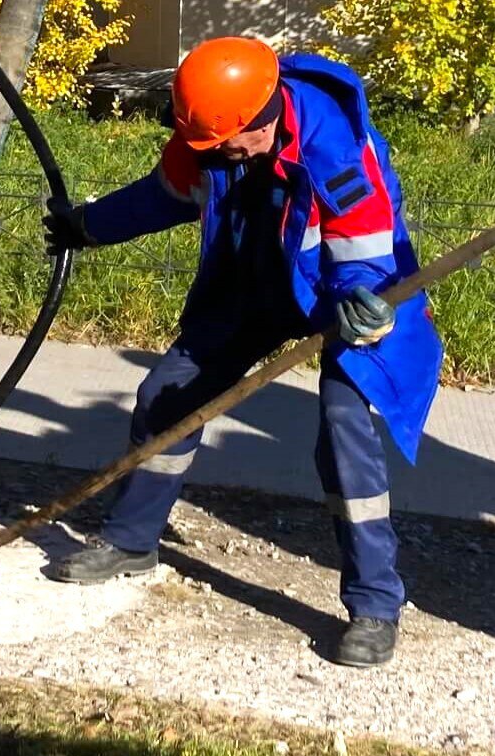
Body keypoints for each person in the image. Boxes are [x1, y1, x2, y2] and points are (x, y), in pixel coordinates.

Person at [41, 36, 445, 668]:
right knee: (166, 395)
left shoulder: (335, 146)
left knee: (344, 428)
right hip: (255, 282)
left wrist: (362, 302)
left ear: (270, 111)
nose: (222, 155)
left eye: (232, 143)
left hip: (345, 289)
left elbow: (365, 243)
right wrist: (87, 226)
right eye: (209, 146)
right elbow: (162, 196)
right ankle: (131, 540)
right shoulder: (209, 136)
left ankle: (373, 604)